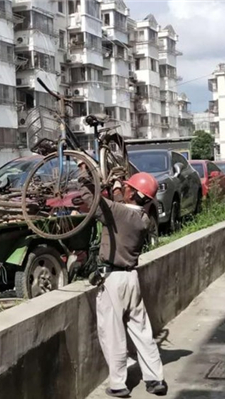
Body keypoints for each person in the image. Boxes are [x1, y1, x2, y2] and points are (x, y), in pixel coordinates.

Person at [79, 166, 167, 398]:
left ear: (132, 194)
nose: (124, 189)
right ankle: (155, 379)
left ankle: (118, 384)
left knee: (113, 333)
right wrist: (119, 189)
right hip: (132, 279)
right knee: (142, 331)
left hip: (113, 280)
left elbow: (90, 197)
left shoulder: (117, 212)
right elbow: (123, 207)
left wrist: (83, 173)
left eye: (128, 188)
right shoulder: (143, 218)